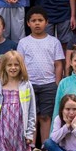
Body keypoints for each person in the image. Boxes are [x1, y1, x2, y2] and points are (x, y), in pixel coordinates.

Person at [17, 7, 64, 143]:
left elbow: (58, 64)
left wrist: (56, 83)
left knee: (45, 116)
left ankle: (45, 146)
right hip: (29, 84)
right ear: (28, 23)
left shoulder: (54, 42)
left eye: (40, 20)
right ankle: (31, 146)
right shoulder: (23, 42)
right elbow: (20, 64)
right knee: (32, 116)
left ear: (47, 22)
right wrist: (23, 82)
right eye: (33, 21)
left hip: (49, 84)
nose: (37, 23)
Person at [0, 50, 36, 151]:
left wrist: (29, 133)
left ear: (21, 66)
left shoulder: (26, 85)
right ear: (4, 66)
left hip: (19, 125)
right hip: (3, 126)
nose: (13, 68)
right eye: (9, 65)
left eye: (16, 65)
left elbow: (31, 110)